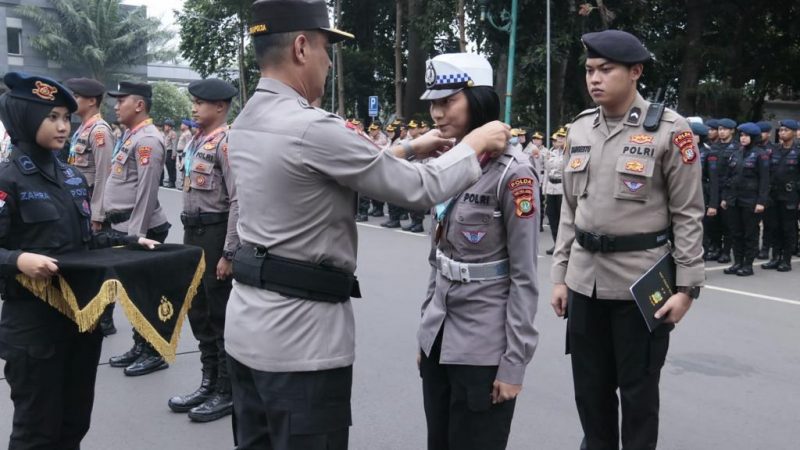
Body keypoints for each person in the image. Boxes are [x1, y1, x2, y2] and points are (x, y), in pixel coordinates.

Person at [225, 1, 510, 447]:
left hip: (247, 333)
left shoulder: (246, 121)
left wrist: (413, 147)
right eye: (324, 49)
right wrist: (473, 144)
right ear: (302, 47)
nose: (326, 63)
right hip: (302, 347)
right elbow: (420, 189)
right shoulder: (313, 128)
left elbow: (323, 172)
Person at [550, 30, 704, 450]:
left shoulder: (671, 131)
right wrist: (560, 275)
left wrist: (687, 287)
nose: (594, 79)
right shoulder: (580, 129)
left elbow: (688, 213)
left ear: (635, 72)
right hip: (585, 281)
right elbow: (568, 209)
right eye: (589, 70)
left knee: (638, 395)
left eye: (605, 70)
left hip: (641, 284)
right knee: (590, 394)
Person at [0, 71, 157, 450]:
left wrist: (130, 240)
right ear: (23, 116)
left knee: (73, 425)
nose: (61, 126)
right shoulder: (8, 178)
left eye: (64, 118)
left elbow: (84, 240)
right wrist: (18, 259)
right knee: (37, 433)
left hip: (80, 321)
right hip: (34, 327)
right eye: (50, 116)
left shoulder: (70, 176)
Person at [417, 52, 539, 450]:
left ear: (479, 98)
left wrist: (514, 362)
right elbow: (438, 257)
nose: (437, 113)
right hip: (440, 338)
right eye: (433, 103)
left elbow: (524, 276)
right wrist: (426, 333)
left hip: (483, 347)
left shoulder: (513, 173)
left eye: (447, 101)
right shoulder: (449, 164)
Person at [164, 79, 240, 423]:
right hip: (192, 232)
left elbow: (238, 198)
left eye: (200, 103)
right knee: (197, 308)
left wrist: (229, 252)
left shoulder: (227, 141)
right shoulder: (196, 141)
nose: (194, 108)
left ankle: (227, 390)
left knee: (219, 312)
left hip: (214, 232)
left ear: (220, 107)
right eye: (194, 102)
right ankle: (208, 381)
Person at [103, 81, 172, 376]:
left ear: (139, 105)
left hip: (141, 230)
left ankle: (154, 350)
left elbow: (147, 190)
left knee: (146, 293)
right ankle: (140, 344)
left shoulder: (148, 140)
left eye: (122, 100)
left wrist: (137, 233)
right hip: (126, 227)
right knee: (133, 293)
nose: (116, 105)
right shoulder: (132, 136)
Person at [63, 78, 119, 336]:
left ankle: (105, 319)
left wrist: (98, 214)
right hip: (79, 205)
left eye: (76, 96)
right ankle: (91, 311)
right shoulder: (82, 129)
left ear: (92, 100)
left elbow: (104, 175)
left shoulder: (99, 131)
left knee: (100, 264)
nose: (72, 100)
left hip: (92, 208)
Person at [720, 122, 770, 276]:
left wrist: (761, 202)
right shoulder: (736, 153)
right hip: (734, 199)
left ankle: (748, 265)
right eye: (741, 135)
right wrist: (724, 198)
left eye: (746, 135)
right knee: (736, 232)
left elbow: (765, 181)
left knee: (750, 233)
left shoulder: (761, 155)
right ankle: (738, 262)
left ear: (753, 137)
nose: (743, 138)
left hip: (751, 200)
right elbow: (728, 178)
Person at [761, 119, 799, 271]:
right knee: (773, 227)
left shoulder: (798, 151)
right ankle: (775, 257)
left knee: (788, 228)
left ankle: (786, 260)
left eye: (786, 130)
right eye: (781, 130)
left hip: (791, 195)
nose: (782, 133)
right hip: (774, 195)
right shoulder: (773, 150)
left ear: (794, 133)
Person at [713, 118, 739, 264]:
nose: (721, 132)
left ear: (731, 131)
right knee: (714, 222)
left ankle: (726, 251)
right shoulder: (714, 147)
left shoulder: (736, 148)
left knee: (728, 223)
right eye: (720, 129)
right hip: (714, 188)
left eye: (724, 129)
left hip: (728, 189)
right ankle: (716, 248)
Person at [695, 121, 722, 261]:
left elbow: (713, 180)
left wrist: (713, 204)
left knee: (702, 227)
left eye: (693, 134)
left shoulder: (708, 153)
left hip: (702, 192)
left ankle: (702, 253)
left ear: (699, 137)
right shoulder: (685, 151)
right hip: (687, 193)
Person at [543, 127, 566, 255]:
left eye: (562, 137)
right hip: (552, 188)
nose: (559, 140)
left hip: (562, 188)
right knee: (552, 217)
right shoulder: (551, 152)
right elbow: (547, 171)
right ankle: (556, 243)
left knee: (563, 218)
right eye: (558, 138)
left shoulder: (569, 153)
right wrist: (545, 189)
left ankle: (564, 245)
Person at [162, 118, 178, 188]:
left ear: (169, 127)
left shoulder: (173, 133)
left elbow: (174, 145)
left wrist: (174, 155)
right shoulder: (167, 134)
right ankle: (170, 180)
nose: (165, 127)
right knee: (168, 167)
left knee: (171, 168)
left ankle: (172, 182)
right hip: (167, 152)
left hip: (170, 152)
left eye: (166, 125)